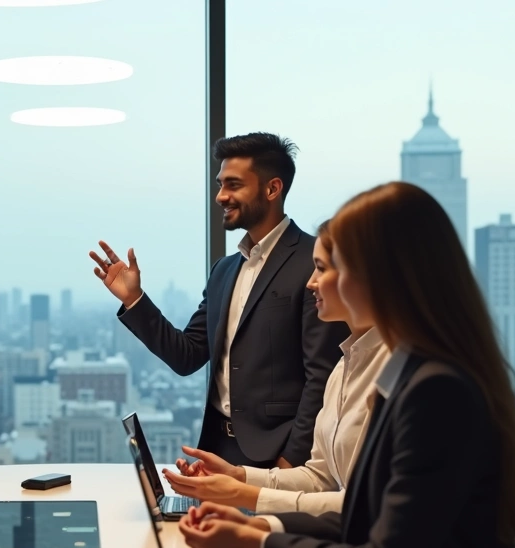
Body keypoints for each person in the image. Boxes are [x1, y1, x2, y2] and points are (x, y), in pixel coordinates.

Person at [177, 182, 515, 548]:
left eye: (330, 267)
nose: (312, 281)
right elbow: (364, 519)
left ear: (381, 277)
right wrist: (258, 517)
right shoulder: (410, 372)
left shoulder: (436, 392)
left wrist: (259, 539)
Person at [90, 133, 347, 468]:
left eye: (234, 185)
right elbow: (187, 355)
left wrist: (291, 460)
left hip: (279, 457)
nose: (221, 196)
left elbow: (323, 376)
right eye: (220, 184)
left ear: (272, 189)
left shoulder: (313, 261)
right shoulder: (224, 270)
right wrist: (135, 299)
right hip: (217, 451)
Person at [160, 219, 390, 515]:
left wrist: (251, 504)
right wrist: (238, 477)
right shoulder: (344, 366)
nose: (310, 282)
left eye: (320, 268)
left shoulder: (395, 374)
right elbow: (320, 478)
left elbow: (365, 507)